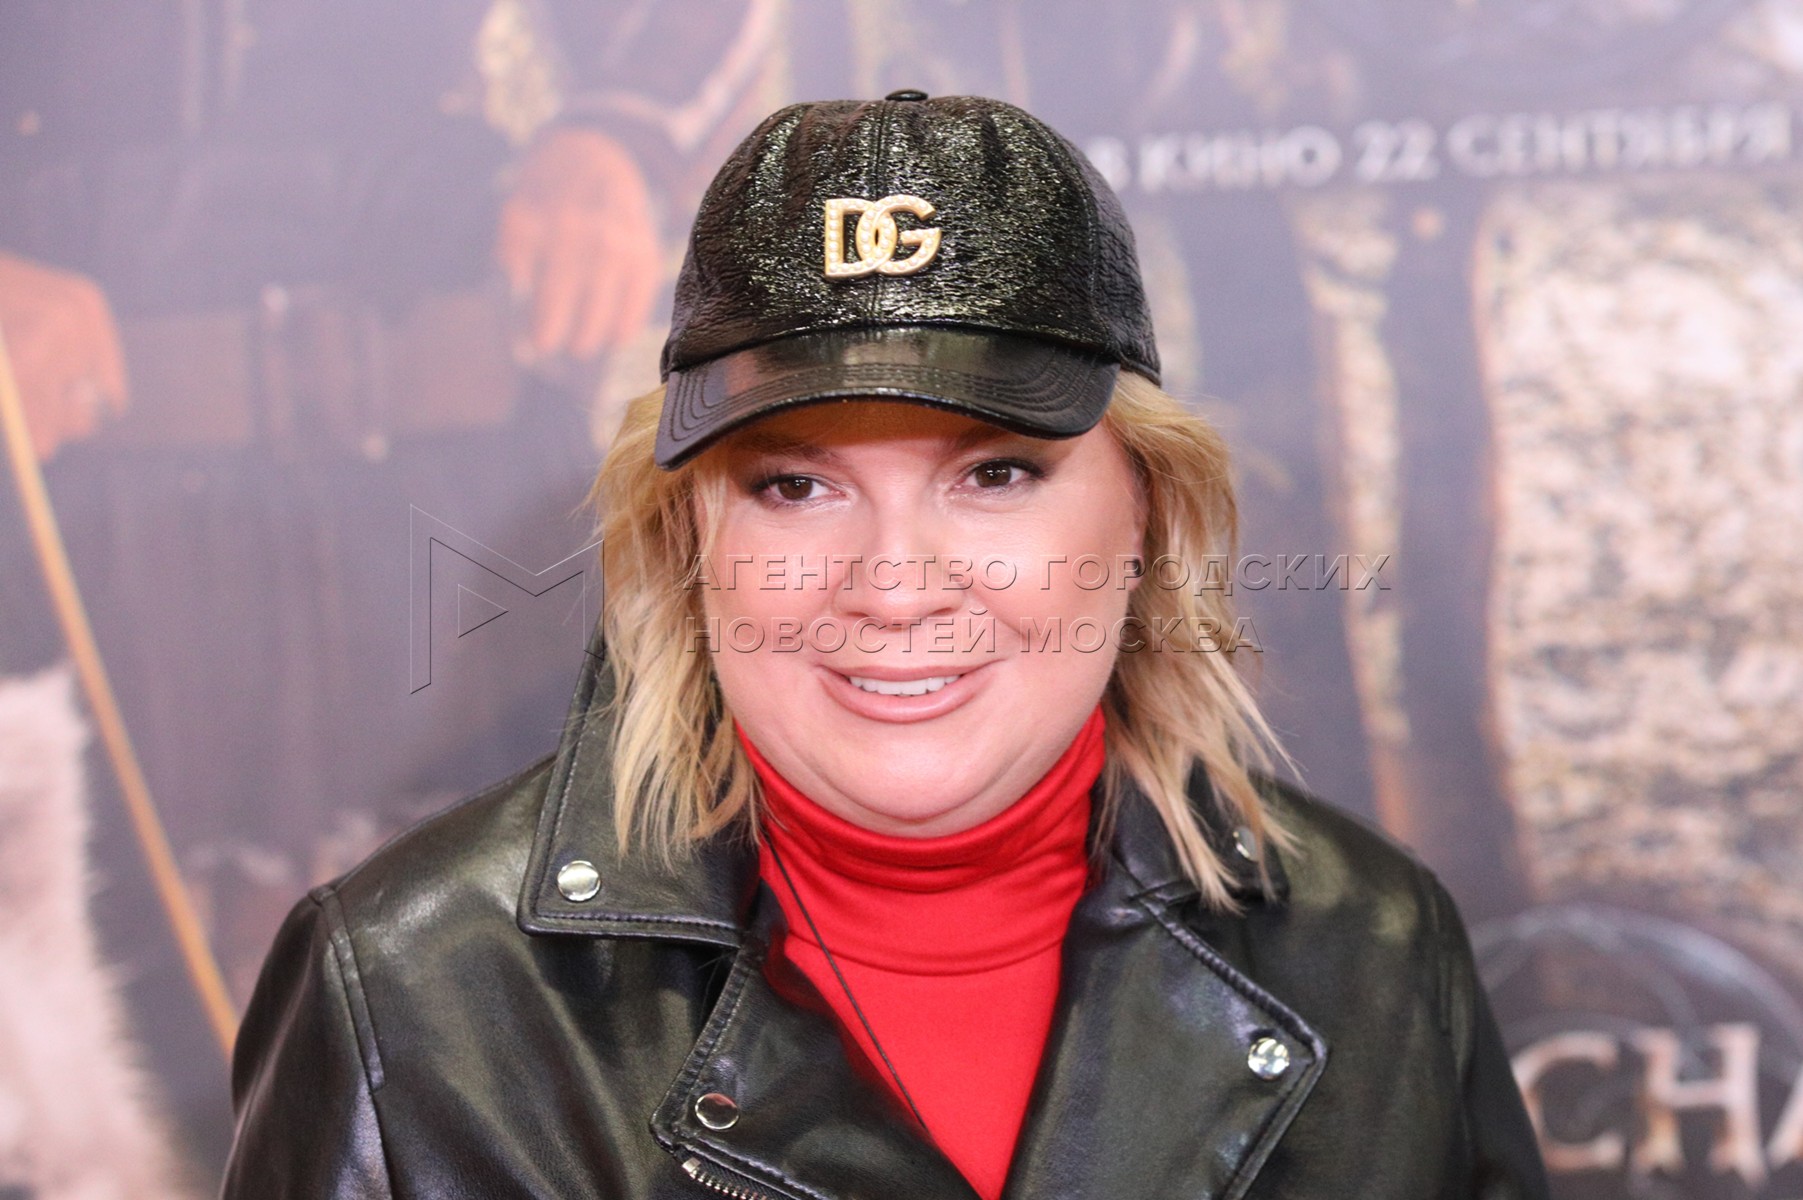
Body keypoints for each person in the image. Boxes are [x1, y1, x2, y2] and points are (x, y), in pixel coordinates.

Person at [221, 92, 1551, 1199]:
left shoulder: (1376, 952)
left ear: (1147, 512)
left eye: (996, 475)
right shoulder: (408, 995)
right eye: (795, 486)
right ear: (688, 539)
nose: (895, 587)